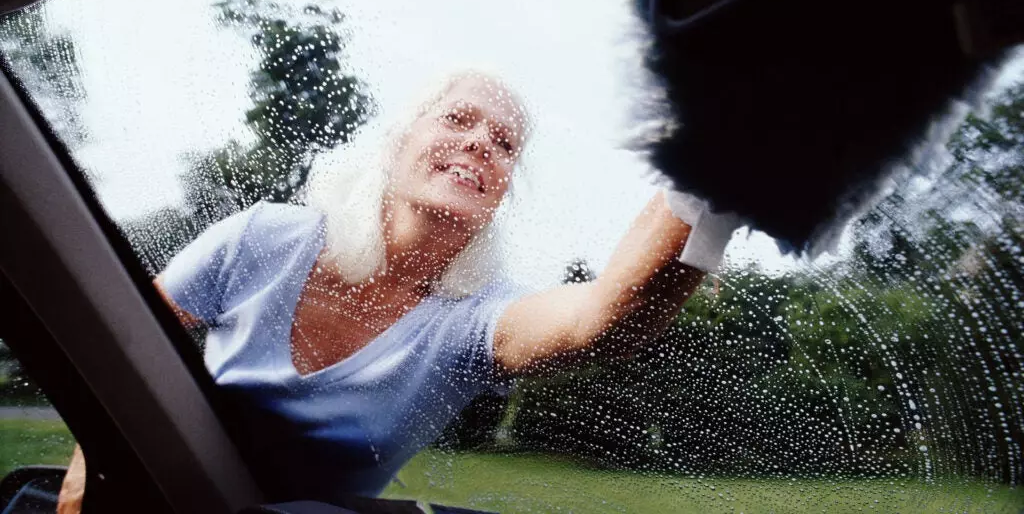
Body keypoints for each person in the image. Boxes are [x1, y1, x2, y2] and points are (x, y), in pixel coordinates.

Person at [59, 71, 713, 507]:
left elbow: (607, 319)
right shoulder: (263, 238)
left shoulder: (475, 321)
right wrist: (87, 476)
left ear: (503, 191)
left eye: (505, 143)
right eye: (458, 118)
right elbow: (123, 350)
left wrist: (718, 166)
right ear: (398, 141)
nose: (481, 142)